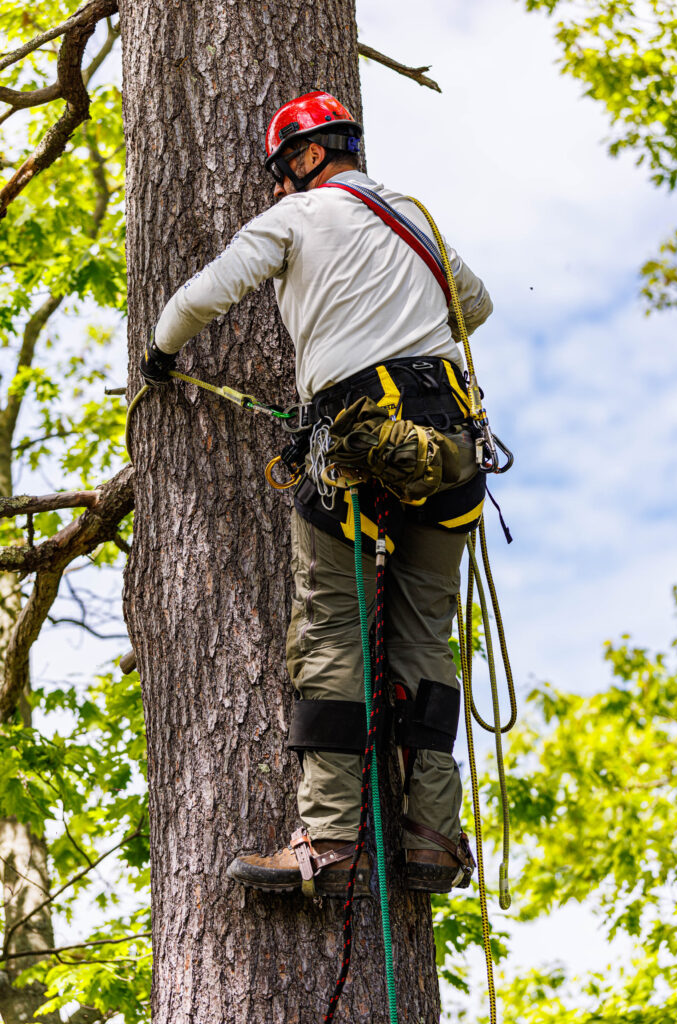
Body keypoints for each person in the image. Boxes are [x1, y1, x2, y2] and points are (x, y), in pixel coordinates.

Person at [141, 90, 492, 898]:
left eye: (283, 169)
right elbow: (475, 306)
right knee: (425, 638)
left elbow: (201, 297)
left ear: (305, 158)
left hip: (357, 439)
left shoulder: (295, 217)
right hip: (448, 439)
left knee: (332, 628)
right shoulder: (414, 217)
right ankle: (433, 838)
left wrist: (160, 354)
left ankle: (331, 842)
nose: (280, 184)